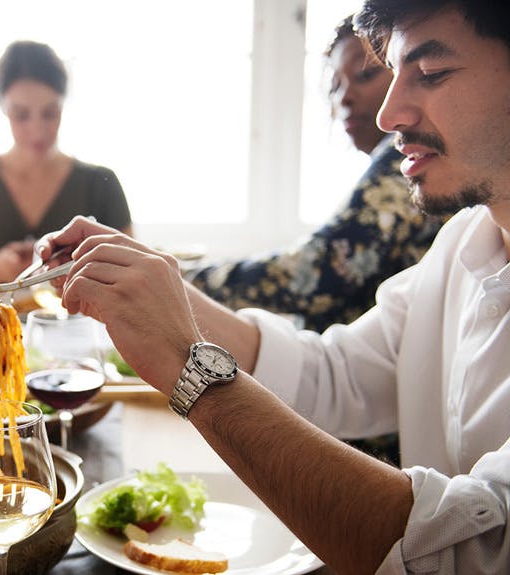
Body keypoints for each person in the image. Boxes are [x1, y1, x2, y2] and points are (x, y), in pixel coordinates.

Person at [38, 0, 510, 571]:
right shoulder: (464, 240)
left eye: (431, 74)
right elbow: (332, 375)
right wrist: (154, 278)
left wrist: (190, 369)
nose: (390, 113)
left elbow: (466, 550)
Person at [189, 15, 442, 334]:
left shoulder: (406, 158)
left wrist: (184, 279)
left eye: (365, 75)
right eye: (335, 85)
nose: (344, 97)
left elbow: (319, 270)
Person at [0, 40, 132, 295]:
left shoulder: (102, 184)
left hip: (82, 333)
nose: (37, 130)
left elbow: (132, 281)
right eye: (21, 115)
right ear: (2, 107)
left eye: (50, 113)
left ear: (63, 105)